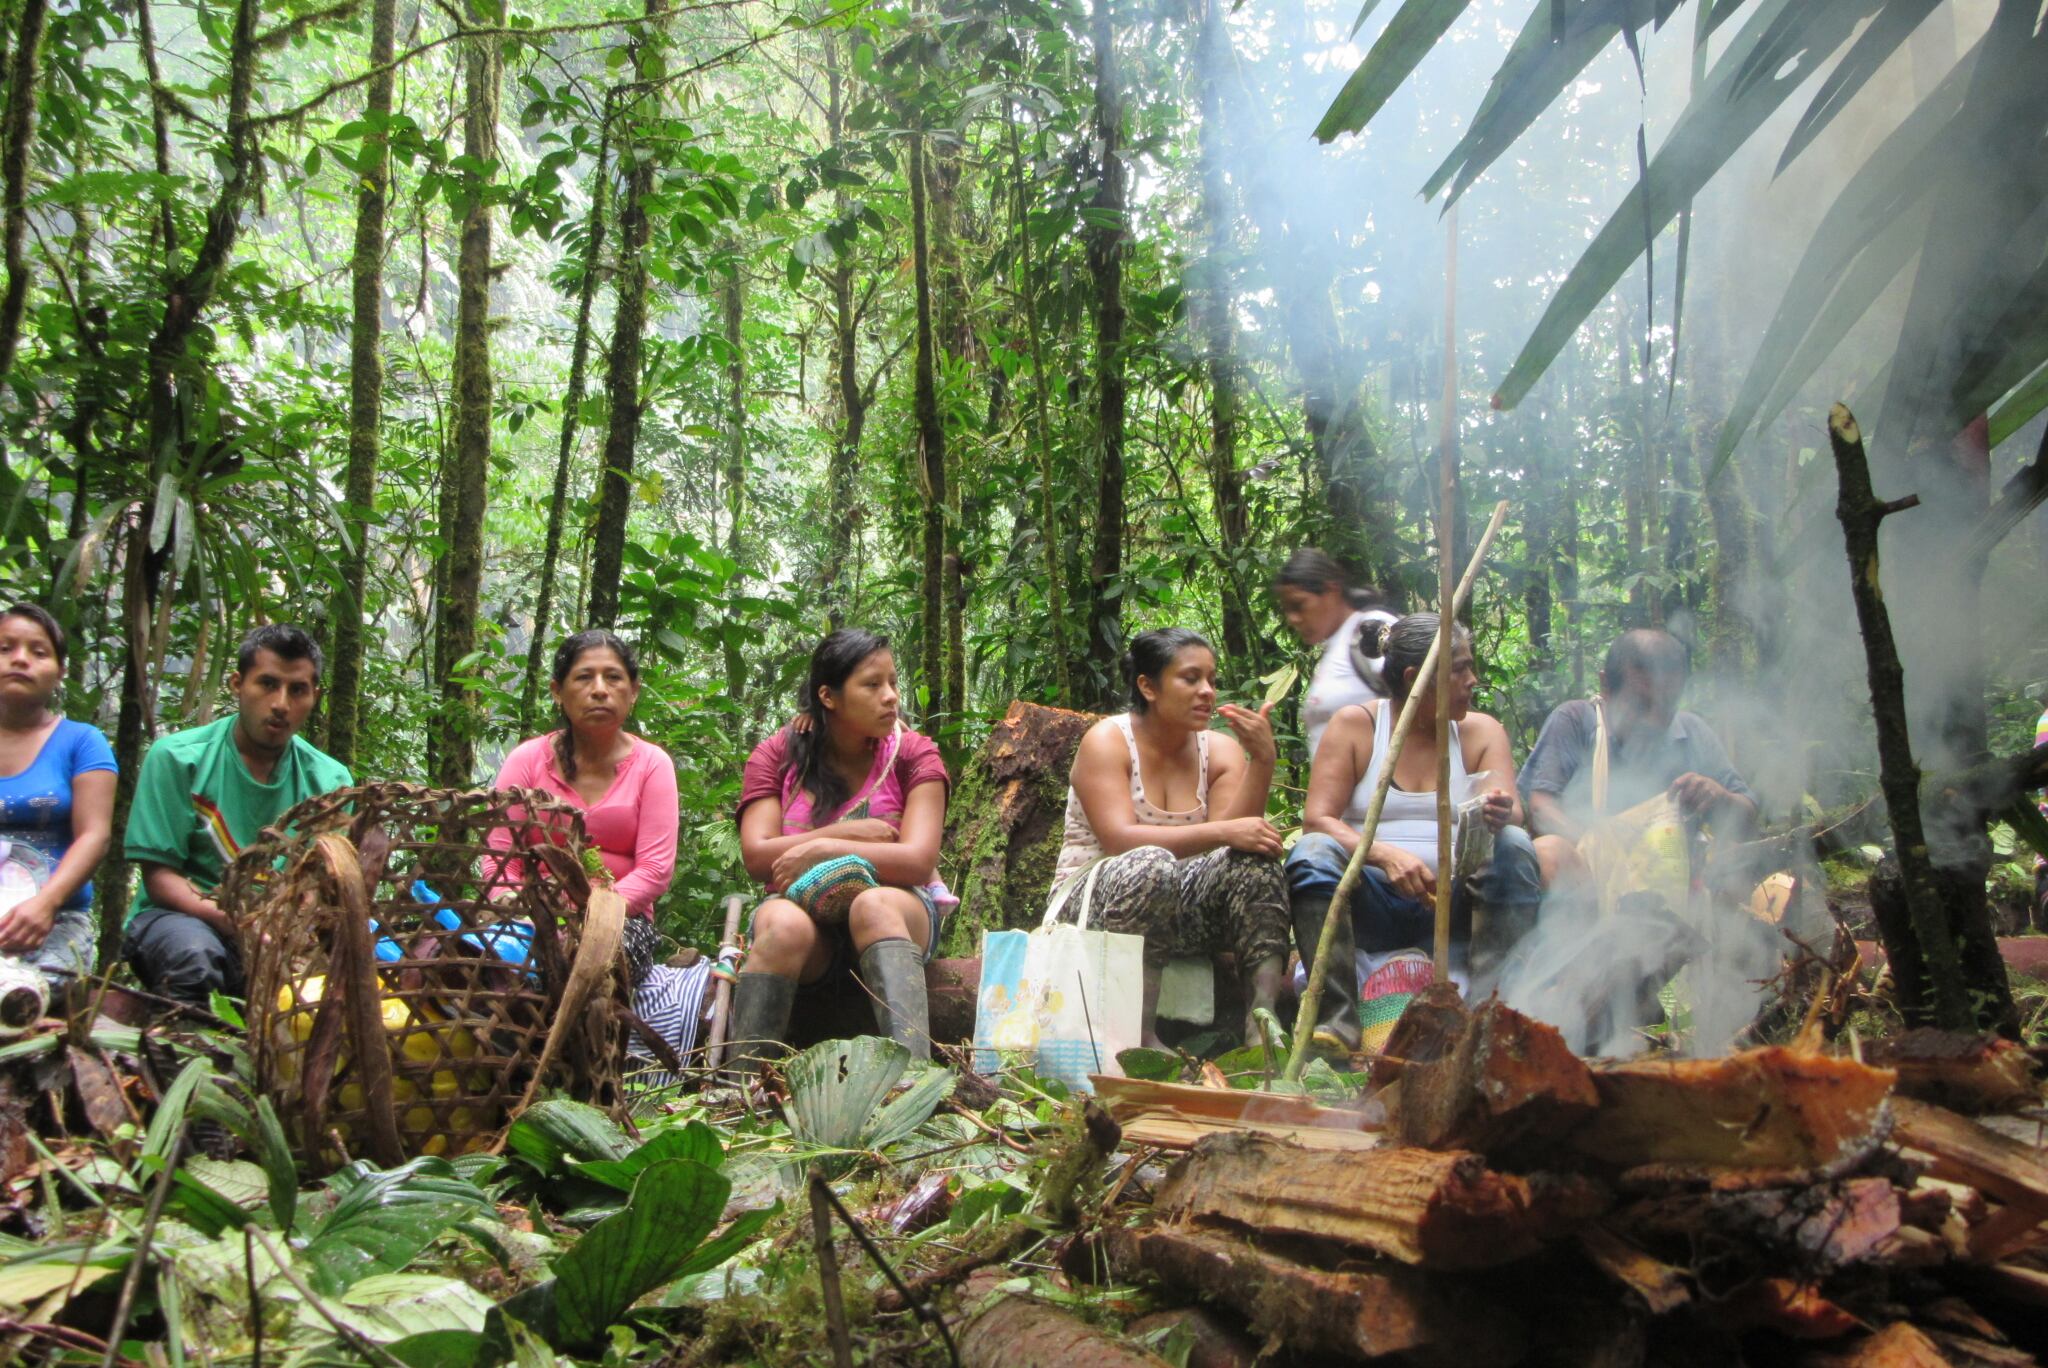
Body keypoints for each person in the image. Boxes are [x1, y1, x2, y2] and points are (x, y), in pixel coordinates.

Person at [1288, 613, 1542, 1053]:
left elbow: (1514, 814)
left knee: (1516, 845)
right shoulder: (1357, 726)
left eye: (1470, 665)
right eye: (1459, 668)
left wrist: (1501, 813)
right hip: (1375, 904)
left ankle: (1492, 1007)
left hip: (1456, 904)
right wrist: (1384, 856)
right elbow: (1318, 821)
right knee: (1311, 853)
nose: (1473, 679)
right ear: (1414, 678)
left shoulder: (1480, 731)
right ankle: (1337, 1020)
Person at [1049, 628, 1292, 1050]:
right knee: (1151, 863)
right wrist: (1224, 831)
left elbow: (1232, 846)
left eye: (1212, 680)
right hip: (1095, 904)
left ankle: (1263, 1026)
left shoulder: (1220, 749)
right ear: (1148, 686)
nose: (1207, 692)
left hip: (1179, 906)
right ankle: (1139, 1036)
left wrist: (1263, 760)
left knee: (1256, 861)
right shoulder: (1107, 740)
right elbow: (1120, 839)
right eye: (1191, 678)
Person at [729, 629, 951, 1077]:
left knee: (873, 904)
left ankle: (913, 1085)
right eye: (872, 685)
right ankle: (742, 1090)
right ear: (828, 696)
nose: (890, 697)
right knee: (778, 922)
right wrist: (847, 835)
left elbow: (917, 860)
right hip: (806, 920)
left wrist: (826, 846)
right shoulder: (778, 755)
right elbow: (757, 856)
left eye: (892, 682)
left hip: (897, 908)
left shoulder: (913, 753)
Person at [123, 625, 352, 1006]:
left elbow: (321, 885)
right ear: (237, 684)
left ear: (315, 696)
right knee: (194, 959)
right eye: (267, 684)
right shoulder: (180, 759)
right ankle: (187, 1052)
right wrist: (233, 919)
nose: (281, 703)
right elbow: (160, 877)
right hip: (182, 918)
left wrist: (290, 931)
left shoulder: (330, 781)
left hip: (280, 930)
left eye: (297, 690)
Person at [487, 630, 678, 981]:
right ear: (558, 691)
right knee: (479, 963)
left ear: (633, 691)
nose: (600, 689)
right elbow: (499, 861)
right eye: (585, 677)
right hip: (530, 916)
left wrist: (591, 914)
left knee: (594, 964)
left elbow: (654, 871)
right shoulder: (527, 760)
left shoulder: (652, 764)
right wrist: (526, 913)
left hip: (620, 921)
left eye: (614, 677)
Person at [1519, 629, 1757, 890]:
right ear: (1606, 686)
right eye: (1642, 705)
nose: (1654, 721)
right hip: (1590, 880)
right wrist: (1609, 849)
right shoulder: (1576, 721)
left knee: (1735, 865)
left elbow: (1747, 819)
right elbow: (1541, 809)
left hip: (1675, 883)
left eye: (1667, 704)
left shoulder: (1693, 732)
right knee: (1549, 852)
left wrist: (1719, 797)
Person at [0, 605, 116, 983]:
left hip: (56, 919)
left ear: (61, 670)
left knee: (29, 991)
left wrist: (45, 904)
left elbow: (94, 834)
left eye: (38, 651)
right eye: (5, 648)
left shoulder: (82, 742)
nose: (20, 659)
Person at [1274, 549, 1399, 760]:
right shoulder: (1336, 646)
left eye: (1299, 605)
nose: (1292, 619)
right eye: (1286, 610)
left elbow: (1421, 692)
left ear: (1332, 590)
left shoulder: (1370, 628)